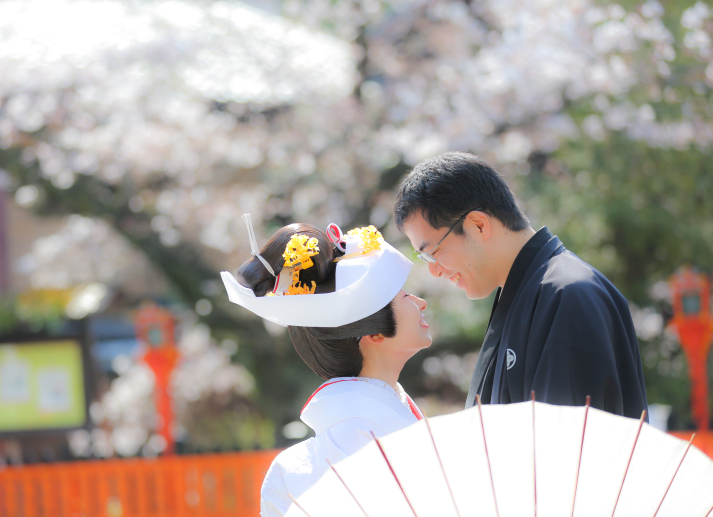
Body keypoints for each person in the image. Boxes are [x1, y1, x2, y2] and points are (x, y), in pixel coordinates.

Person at [394, 152, 648, 419]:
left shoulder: (569, 294)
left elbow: (568, 445)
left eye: (434, 251)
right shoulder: (526, 293)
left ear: (478, 225)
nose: (434, 270)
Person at [221, 216, 431, 517]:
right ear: (374, 333)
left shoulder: (361, 425)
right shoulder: (356, 435)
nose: (421, 302)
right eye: (407, 296)